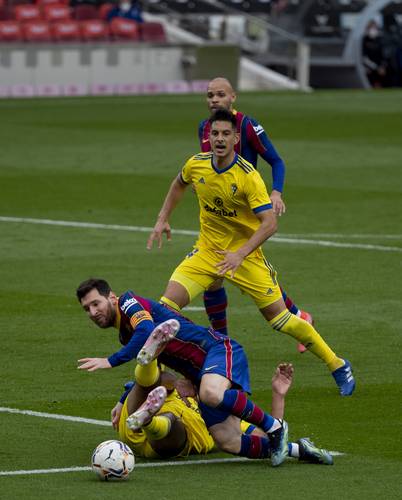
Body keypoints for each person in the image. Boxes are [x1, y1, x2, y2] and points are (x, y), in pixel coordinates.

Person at [147, 108, 355, 397]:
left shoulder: (248, 176)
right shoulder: (197, 164)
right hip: (207, 252)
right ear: (209, 136)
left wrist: (240, 254)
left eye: (225, 134)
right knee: (163, 312)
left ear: (235, 138)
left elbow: (270, 224)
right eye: (215, 133)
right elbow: (179, 183)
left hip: (246, 259)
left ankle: (338, 364)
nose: (219, 139)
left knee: (281, 321)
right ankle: (153, 377)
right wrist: (162, 217)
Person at [76, 278, 332, 466]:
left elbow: (144, 331)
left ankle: (274, 427)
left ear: (112, 297)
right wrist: (124, 400)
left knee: (210, 393)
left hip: (217, 349)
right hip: (200, 376)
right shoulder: (124, 334)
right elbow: (155, 369)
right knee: (227, 441)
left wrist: (110, 361)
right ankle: (298, 449)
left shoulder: (129, 302)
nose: (93, 312)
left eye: (96, 303)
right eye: (87, 309)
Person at [198, 77, 310, 354]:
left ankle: (297, 316)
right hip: (219, 215)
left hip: (247, 215)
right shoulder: (205, 128)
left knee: (250, 276)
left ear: (232, 97)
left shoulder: (248, 126)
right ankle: (221, 339)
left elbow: (276, 160)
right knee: (214, 274)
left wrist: (276, 193)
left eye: (220, 94)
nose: (214, 99)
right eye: (210, 95)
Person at [113, 361, 333, 465]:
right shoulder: (185, 388)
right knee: (160, 380)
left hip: (169, 438)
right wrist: (123, 401)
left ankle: (149, 419)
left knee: (171, 422)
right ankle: (142, 395)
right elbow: (167, 379)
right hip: (135, 415)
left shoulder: (221, 423)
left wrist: (278, 395)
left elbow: (267, 437)